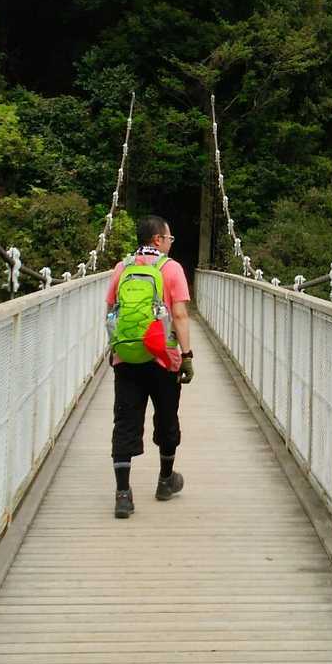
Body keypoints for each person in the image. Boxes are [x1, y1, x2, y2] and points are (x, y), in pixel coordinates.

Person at [106, 216, 194, 519]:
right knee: (167, 418)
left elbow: (111, 311)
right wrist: (187, 355)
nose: (170, 243)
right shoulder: (172, 268)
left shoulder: (122, 267)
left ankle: (123, 494)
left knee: (125, 422)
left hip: (127, 357)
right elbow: (179, 316)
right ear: (158, 239)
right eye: (169, 238)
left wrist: (116, 346)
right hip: (163, 359)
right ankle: (165, 481)